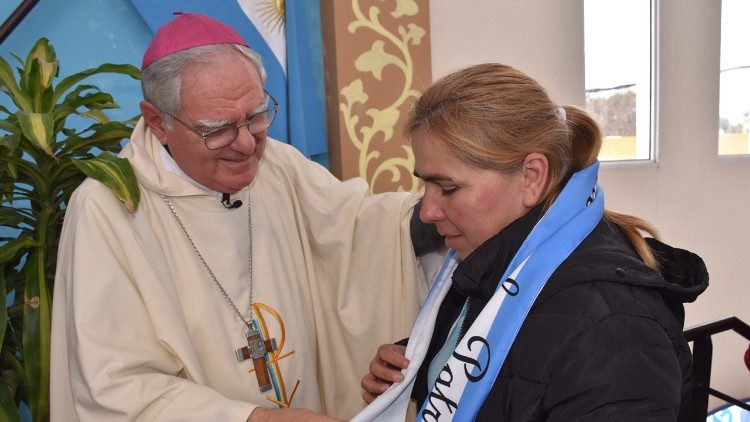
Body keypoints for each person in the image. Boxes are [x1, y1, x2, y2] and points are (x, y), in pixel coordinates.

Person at [50, 12, 442, 421]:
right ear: (157, 122)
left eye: (255, 117)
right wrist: (252, 418)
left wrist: (447, 208)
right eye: (217, 128)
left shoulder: (278, 165)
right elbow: (114, 385)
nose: (245, 144)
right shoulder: (107, 208)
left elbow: (357, 229)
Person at [357, 63, 709, 421]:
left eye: (448, 188)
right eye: (425, 185)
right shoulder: (487, 262)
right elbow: (502, 371)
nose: (428, 211)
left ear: (532, 178)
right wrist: (415, 367)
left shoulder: (614, 331)